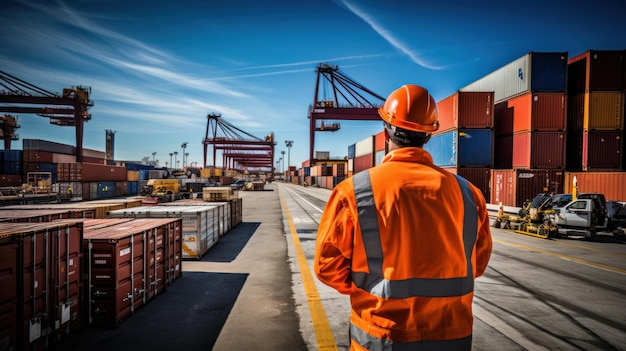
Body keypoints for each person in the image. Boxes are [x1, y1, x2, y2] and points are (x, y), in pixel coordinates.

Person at [314, 84, 492, 351]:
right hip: (452, 336)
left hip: (381, 335)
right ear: (429, 135)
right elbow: (476, 265)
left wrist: (366, 290)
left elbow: (327, 267)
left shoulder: (354, 191)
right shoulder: (469, 194)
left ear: (386, 131)